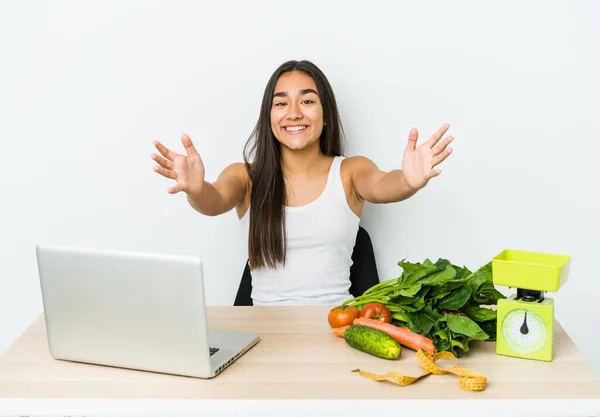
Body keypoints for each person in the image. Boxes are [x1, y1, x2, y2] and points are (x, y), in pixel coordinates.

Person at [151, 60, 453, 306]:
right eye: (281, 103)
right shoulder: (246, 176)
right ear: (269, 117)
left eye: (307, 101)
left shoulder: (350, 171)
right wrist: (196, 189)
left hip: (336, 330)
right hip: (263, 336)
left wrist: (410, 181)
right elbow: (214, 199)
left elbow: (384, 185)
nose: (294, 113)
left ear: (325, 117)